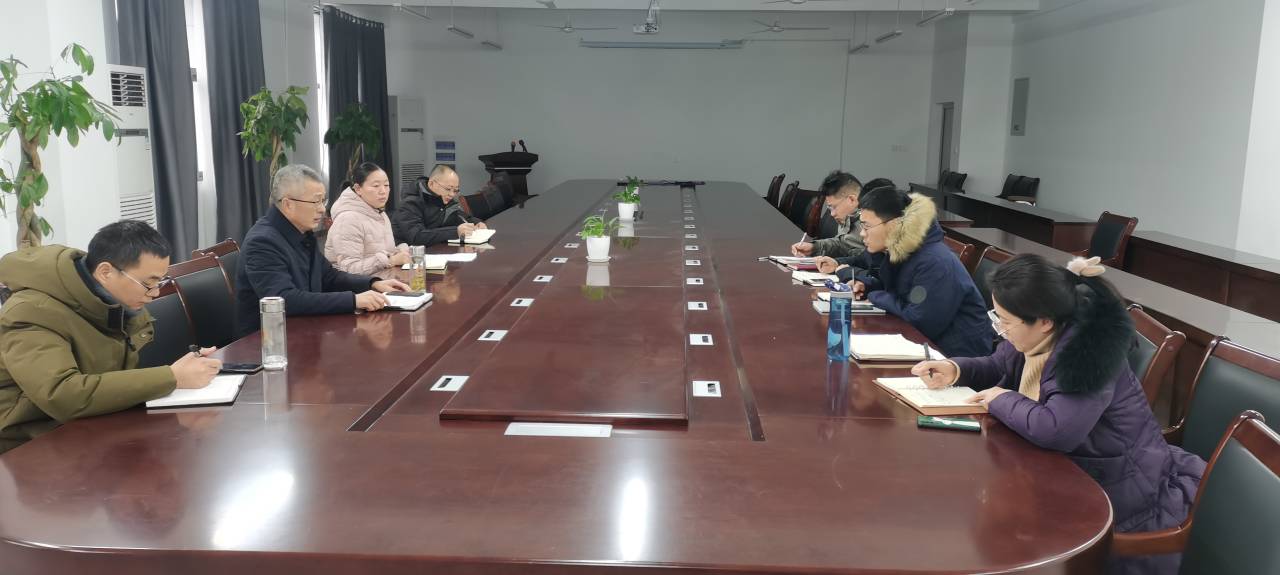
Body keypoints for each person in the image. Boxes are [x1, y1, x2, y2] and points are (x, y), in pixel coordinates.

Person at [912, 254, 1205, 575]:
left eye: (1005, 321)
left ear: (1044, 321)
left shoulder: (1088, 355)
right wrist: (955, 369)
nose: (1001, 329)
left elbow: (1057, 430)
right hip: (1067, 469)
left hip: (1115, 491)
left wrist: (1002, 398)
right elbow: (998, 364)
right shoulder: (1039, 333)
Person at [0, 220, 222, 453]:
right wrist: (172, 377)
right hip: (29, 446)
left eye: (160, 281)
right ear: (105, 272)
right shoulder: (31, 312)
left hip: (94, 426)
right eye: (148, 284)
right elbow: (61, 394)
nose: (155, 293)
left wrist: (182, 371)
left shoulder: (114, 302)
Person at [235, 164, 410, 337]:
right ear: (288, 204)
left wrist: (372, 283)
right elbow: (285, 300)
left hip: (305, 328)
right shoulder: (263, 242)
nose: (322, 209)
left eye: (323, 201)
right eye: (315, 201)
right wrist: (354, 300)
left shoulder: (301, 231)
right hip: (268, 341)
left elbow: (328, 276)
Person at [824, 187, 993, 358]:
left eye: (866, 226)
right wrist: (868, 286)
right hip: (925, 347)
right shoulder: (903, 249)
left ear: (894, 225)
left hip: (956, 357)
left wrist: (875, 296)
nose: (862, 234)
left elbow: (920, 321)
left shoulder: (934, 262)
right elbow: (901, 292)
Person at [324, 162, 411, 274]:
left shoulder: (379, 213)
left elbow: (382, 252)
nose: (383, 191)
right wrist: (391, 260)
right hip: (355, 284)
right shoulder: (348, 219)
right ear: (358, 189)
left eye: (386, 185)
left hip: (380, 278)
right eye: (376, 186)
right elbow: (349, 269)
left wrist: (400, 252)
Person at [392, 164, 487, 247]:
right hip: (409, 254)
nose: (452, 194)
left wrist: (476, 223)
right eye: (448, 189)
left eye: (455, 190)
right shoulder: (410, 203)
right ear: (431, 184)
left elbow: (459, 216)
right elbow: (416, 237)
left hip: (436, 250)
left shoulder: (445, 199)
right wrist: (455, 232)